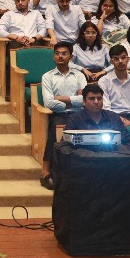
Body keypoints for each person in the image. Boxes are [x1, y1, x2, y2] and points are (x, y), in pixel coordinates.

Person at [38, 44, 87, 186]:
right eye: (57, 53)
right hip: (58, 114)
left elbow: (84, 100)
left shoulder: (79, 75)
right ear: (53, 57)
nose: (60, 56)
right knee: (56, 130)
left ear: (71, 57)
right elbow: (48, 103)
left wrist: (60, 98)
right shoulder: (47, 76)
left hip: (79, 114)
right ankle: (46, 171)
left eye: (64, 53)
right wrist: (72, 102)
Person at [98, 45, 130, 124]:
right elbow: (106, 108)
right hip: (113, 118)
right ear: (111, 62)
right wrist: (123, 122)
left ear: (128, 59)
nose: (120, 61)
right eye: (116, 59)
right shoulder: (104, 81)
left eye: (123, 57)